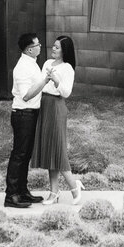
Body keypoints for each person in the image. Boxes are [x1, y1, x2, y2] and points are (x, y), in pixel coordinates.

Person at [33, 34, 82, 205]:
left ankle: (74, 186)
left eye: (57, 47)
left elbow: (66, 92)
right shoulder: (46, 64)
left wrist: (55, 81)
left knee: (58, 149)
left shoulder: (67, 68)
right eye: (53, 46)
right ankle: (54, 193)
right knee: (49, 150)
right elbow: (39, 83)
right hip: (44, 105)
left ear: (64, 51)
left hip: (56, 106)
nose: (53, 49)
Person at [5, 32, 45, 208]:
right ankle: (11, 195)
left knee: (26, 154)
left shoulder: (32, 64)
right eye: (37, 45)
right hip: (23, 114)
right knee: (19, 154)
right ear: (30, 49)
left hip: (31, 114)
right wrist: (45, 81)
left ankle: (22, 191)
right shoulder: (22, 67)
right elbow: (27, 95)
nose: (40, 47)